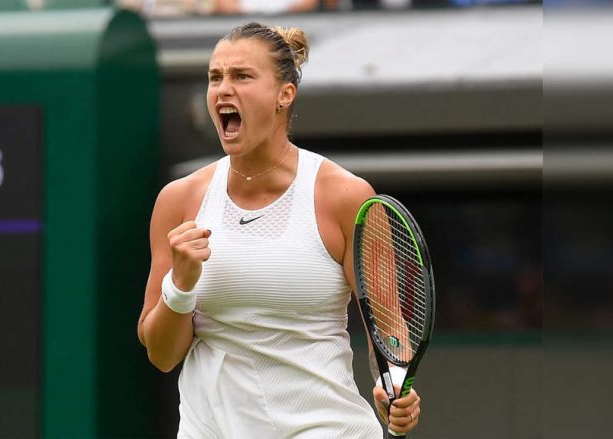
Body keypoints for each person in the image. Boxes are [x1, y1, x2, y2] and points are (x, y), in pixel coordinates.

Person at [137, 22, 422, 437]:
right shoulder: (178, 201)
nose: (222, 89)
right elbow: (162, 355)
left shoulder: (344, 196)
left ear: (284, 95)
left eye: (242, 76)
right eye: (215, 77)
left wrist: (392, 384)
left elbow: (390, 328)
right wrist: (180, 285)